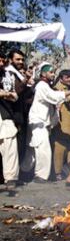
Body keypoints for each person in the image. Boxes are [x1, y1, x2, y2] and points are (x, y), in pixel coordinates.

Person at [21, 63, 70, 183]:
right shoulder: (42, 86)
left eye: (54, 72)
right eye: (51, 72)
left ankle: (23, 172)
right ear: (43, 74)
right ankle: (40, 176)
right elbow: (53, 97)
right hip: (38, 123)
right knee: (43, 149)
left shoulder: (45, 86)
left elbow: (56, 98)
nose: (53, 74)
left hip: (41, 123)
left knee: (33, 150)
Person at [51, 70, 70, 180]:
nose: (69, 79)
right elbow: (66, 99)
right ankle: (57, 173)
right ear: (61, 77)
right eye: (67, 77)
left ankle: (69, 172)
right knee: (59, 149)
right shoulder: (57, 88)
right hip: (61, 123)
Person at [0, 51, 19, 189]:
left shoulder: (6, 75)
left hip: (5, 114)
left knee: (9, 145)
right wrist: (6, 94)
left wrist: (9, 94)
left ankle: (10, 178)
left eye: (2, 61)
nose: (1, 64)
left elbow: (15, 95)